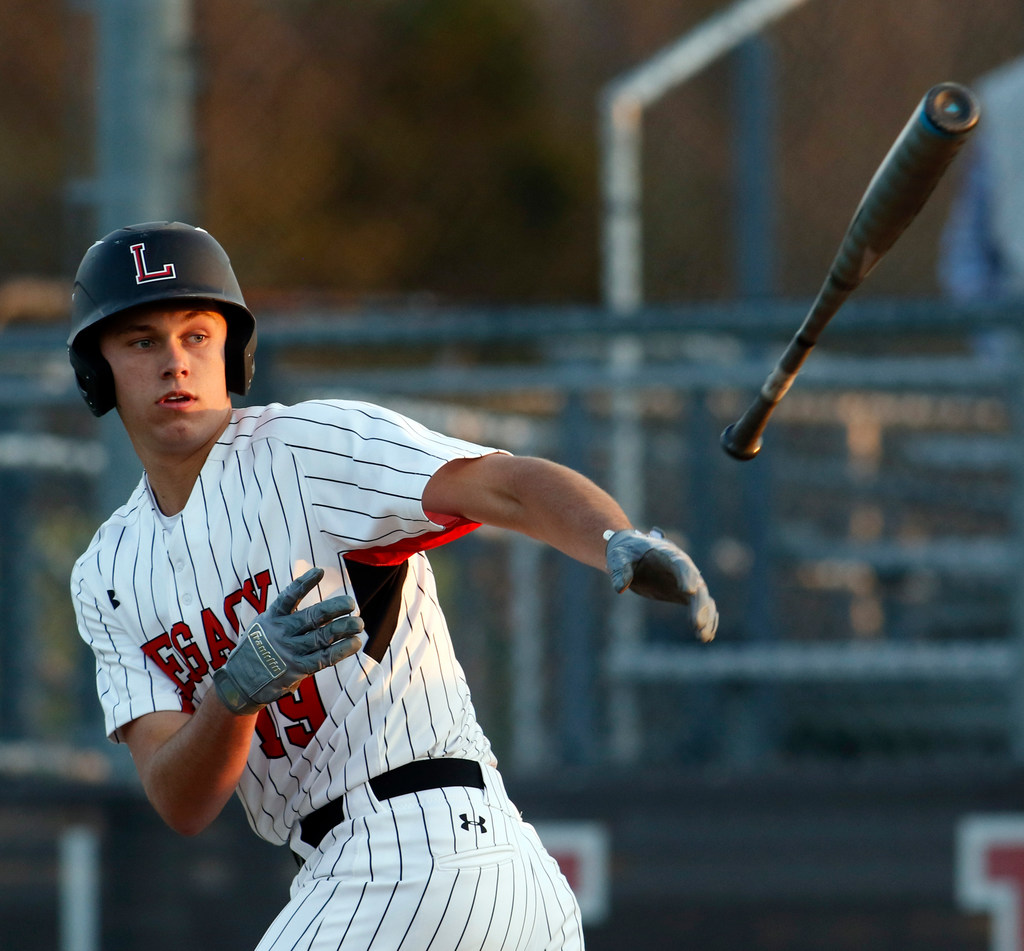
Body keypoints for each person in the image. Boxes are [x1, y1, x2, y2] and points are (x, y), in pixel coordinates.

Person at [68, 221, 718, 951]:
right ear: (97, 370)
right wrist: (233, 694)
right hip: (427, 879)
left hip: (415, 856)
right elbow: (179, 798)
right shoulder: (107, 572)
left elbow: (502, 485)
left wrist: (611, 536)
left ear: (233, 350)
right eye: (143, 340)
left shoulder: (305, 450)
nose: (175, 362)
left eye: (197, 334)